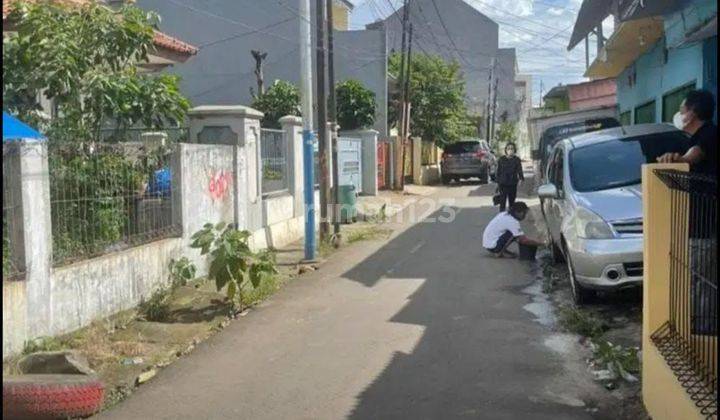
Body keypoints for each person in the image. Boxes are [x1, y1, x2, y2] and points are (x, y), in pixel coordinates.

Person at [659, 89, 717, 335]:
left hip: (705, 227)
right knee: (701, 282)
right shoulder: (699, 137)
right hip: (700, 224)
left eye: (682, 109)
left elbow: (694, 156)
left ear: (692, 113)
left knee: (698, 282)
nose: (679, 114)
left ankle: (699, 332)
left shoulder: (708, 135)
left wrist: (678, 159)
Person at [658, 89, 717, 175]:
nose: (678, 115)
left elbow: (696, 152)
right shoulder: (689, 138)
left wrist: (680, 159)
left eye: (682, 110)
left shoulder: (710, 134)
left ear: (692, 111)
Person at [495, 142, 524, 212]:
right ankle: (501, 218)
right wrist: (497, 183)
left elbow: (519, 170)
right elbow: (498, 172)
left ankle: (511, 218)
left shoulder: (516, 160)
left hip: (512, 183)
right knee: (502, 203)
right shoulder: (501, 159)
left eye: (512, 149)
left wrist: (521, 178)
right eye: (508, 149)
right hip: (503, 184)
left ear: (514, 150)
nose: (510, 150)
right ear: (506, 150)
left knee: (512, 203)